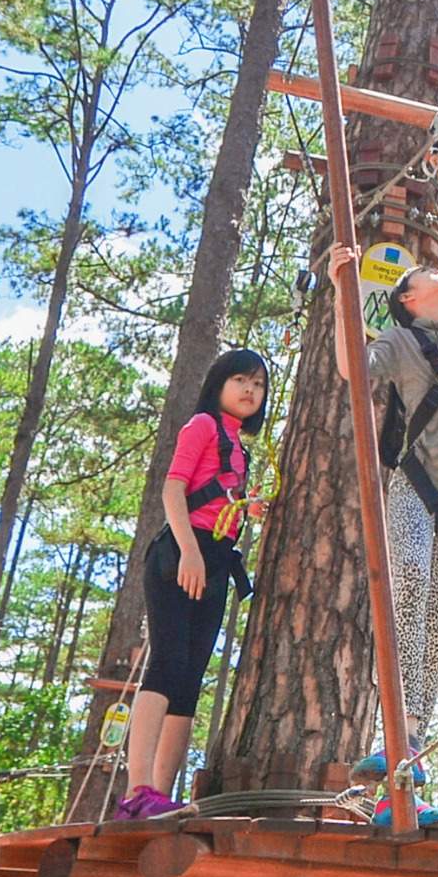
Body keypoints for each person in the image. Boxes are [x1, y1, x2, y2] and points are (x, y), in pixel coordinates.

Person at [329, 160, 438, 831]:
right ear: (408, 297)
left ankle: (409, 764)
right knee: (410, 587)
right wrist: (345, 286)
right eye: (430, 276)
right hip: (417, 487)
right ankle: (388, 738)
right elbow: (349, 368)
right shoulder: (395, 340)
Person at [108, 346, 269, 821]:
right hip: (181, 552)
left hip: (217, 559)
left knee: (191, 675)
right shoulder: (202, 427)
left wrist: (249, 509)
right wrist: (190, 552)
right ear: (219, 383)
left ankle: (161, 793)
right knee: (168, 661)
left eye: (258, 385)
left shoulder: (240, 447)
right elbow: (173, 487)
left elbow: (222, 501)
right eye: (241, 380)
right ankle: (137, 790)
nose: (249, 390)